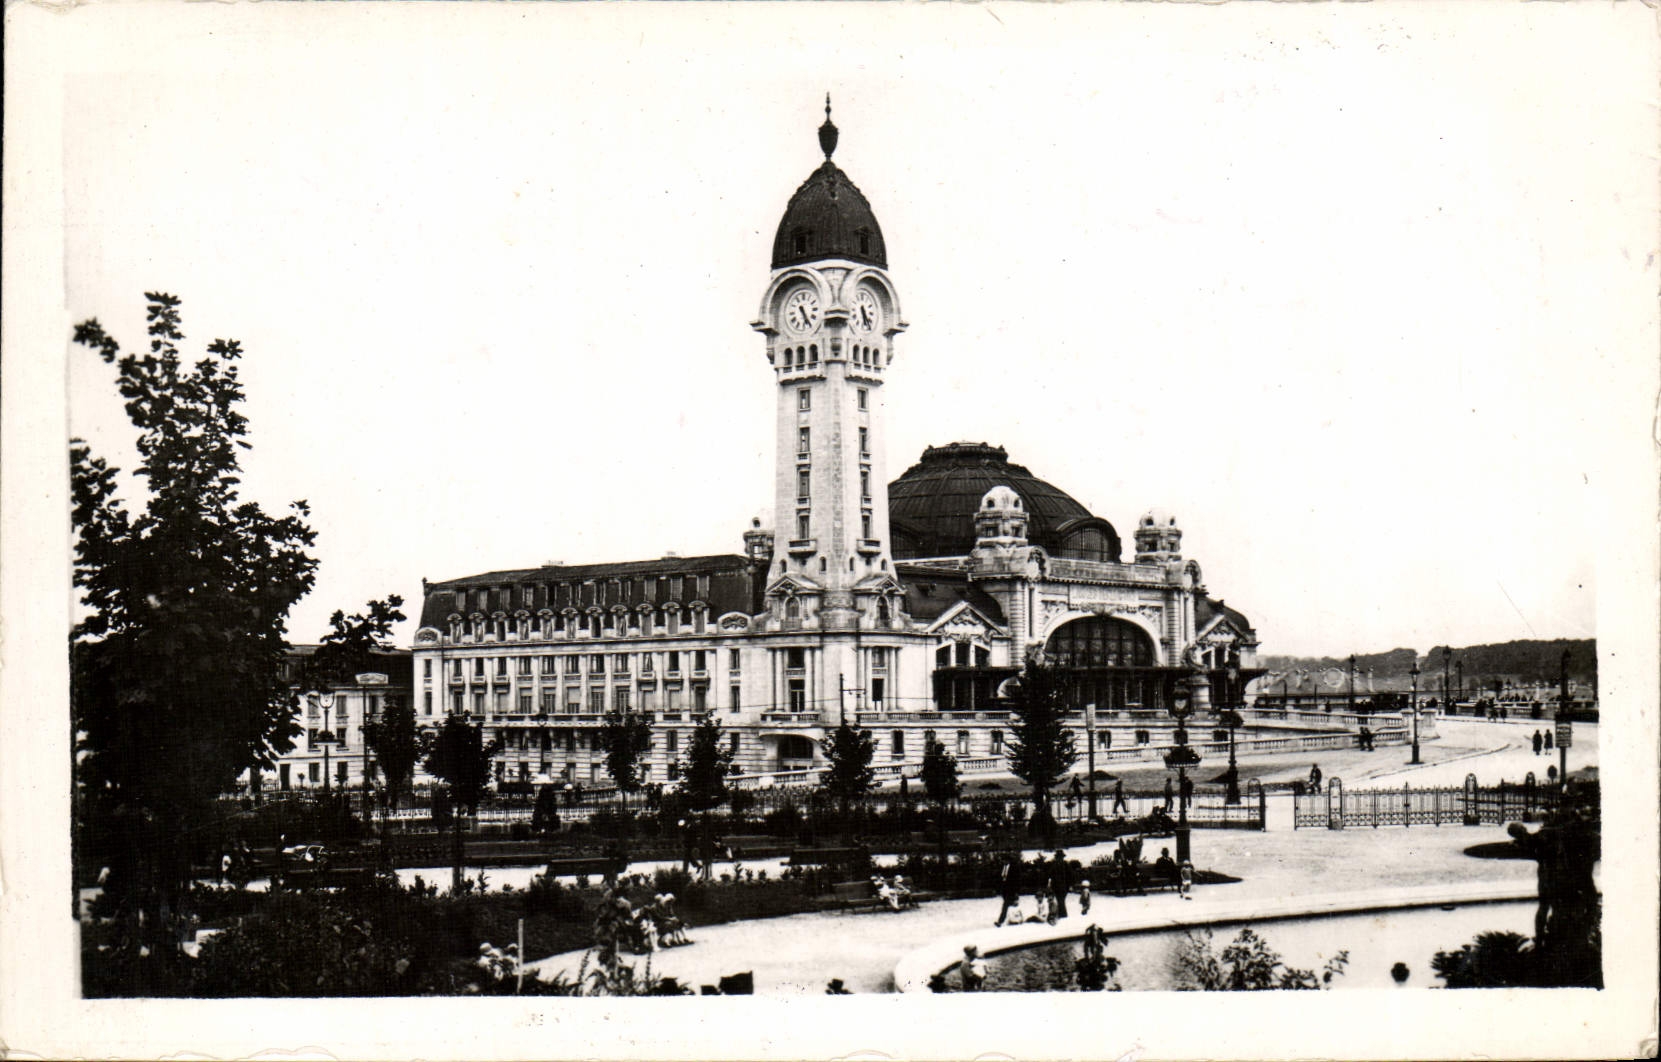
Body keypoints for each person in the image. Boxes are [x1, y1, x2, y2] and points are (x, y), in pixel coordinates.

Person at [994, 855, 1023, 927]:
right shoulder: (1002, 868)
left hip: (1011, 890)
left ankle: (1000, 921)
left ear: (1008, 860)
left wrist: (1017, 891)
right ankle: (1016, 918)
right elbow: (1000, 879)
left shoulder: (1014, 868)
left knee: (1005, 905)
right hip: (1004, 891)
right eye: (1003, 860)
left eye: (1005, 860)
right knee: (1011, 905)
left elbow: (1017, 880)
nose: (1004, 861)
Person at [1048, 850, 1071, 919]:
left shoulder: (1066, 865)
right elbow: (1050, 874)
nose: (1059, 859)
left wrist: (1069, 885)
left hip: (1063, 886)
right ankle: (1062, 914)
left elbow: (1070, 875)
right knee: (1060, 900)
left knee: (1061, 900)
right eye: (1058, 857)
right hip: (1056, 886)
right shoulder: (1054, 865)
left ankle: (1062, 914)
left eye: (1060, 857)